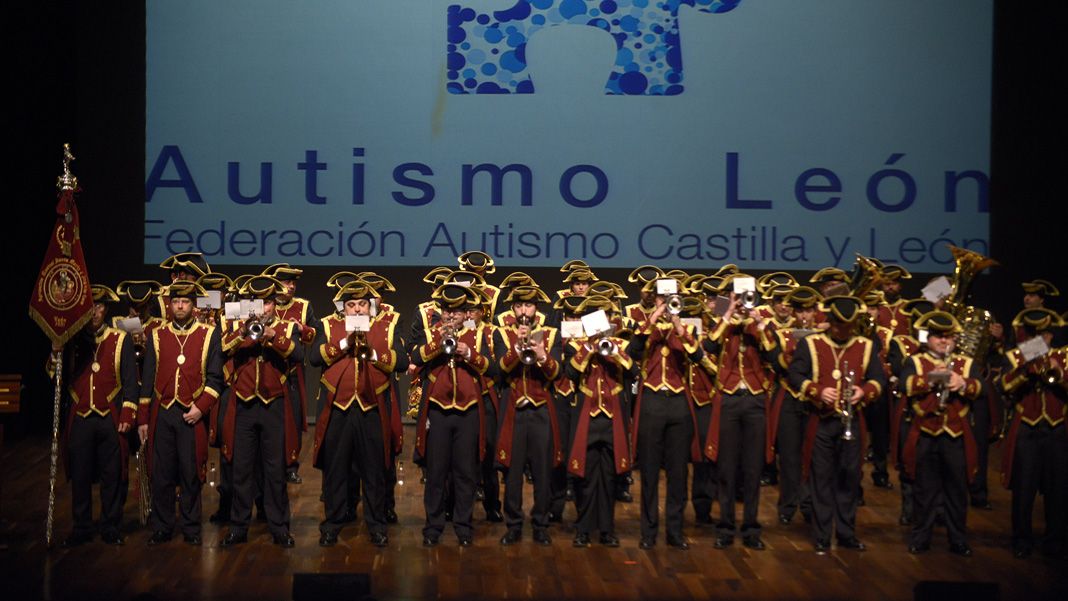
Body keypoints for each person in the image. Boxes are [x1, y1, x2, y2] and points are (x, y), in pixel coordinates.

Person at [788, 295, 886, 553]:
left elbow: (879, 379)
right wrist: (816, 391)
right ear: (830, 322)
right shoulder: (811, 343)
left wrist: (864, 392)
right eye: (840, 325)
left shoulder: (865, 346)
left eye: (849, 325)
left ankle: (846, 533)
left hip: (852, 419)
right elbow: (795, 374)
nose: (845, 330)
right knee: (820, 479)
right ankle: (821, 534)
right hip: (821, 420)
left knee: (850, 477)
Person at [311, 281, 406, 547]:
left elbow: (401, 361)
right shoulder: (329, 325)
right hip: (339, 409)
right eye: (351, 305)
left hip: (372, 408)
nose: (356, 309)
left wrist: (373, 353)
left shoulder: (386, 326)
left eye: (362, 304)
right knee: (336, 471)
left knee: (374, 471)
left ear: (371, 306)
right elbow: (315, 358)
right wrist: (344, 343)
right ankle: (332, 523)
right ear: (343, 308)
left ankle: (376, 525)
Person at [217, 276, 302, 548]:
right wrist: (245, 331)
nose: (262, 309)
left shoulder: (286, 327)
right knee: (241, 470)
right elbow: (223, 350)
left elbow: (298, 355)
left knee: (275, 469)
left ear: (274, 305)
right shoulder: (236, 326)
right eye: (257, 303)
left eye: (266, 303)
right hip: (244, 403)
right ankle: (238, 527)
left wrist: (272, 337)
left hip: (273, 404)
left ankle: (279, 527)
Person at [51, 285, 139, 547]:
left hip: (109, 416)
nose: (94, 312)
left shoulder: (119, 339)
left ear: (105, 309)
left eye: (99, 307)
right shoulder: (72, 340)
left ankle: (110, 525)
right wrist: (56, 350)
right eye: (89, 307)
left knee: (112, 475)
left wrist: (128, 412)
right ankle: (81, 527)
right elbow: (54, 377)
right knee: (80, 475)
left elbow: (130, 381)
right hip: (80, 416)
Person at [137, 281, 223, 546]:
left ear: (193, 305)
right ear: (170, 305)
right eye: (176, 302)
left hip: (192, 412)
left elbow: (216, 379)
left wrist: (201, 408)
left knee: (190, 472)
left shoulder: (208, 334)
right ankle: (162, 526)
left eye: (185, 302)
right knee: (161, 473)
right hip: (163, 413)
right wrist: (142, 419)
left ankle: (190, 526)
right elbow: (148, 378)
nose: (180, 306)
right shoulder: (157, 335)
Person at [411, 283, 494, 547]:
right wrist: (439, 342)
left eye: (456, 312)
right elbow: (415, 358)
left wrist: (468, 353)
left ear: (465, 313)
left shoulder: (479, 334)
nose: (451, 316)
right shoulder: (430, 332)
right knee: (435, 472)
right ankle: (433, 527)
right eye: (447, 311)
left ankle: (463, 525)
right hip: (438, 410)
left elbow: (492, 368)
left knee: (465, 472)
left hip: (468, 410)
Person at [898, 311, 984, 556]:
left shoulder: (965, 363)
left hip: (955, 434)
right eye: (938, 337)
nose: (944, 342)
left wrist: (963, 383)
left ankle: (958, 539)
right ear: (928, 339)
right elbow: (904, 385)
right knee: (924, 490)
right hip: (926, 431)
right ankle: (920, 537)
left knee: (957, 491)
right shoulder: (915, 361)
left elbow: (982, 389)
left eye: (948, 338)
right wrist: (932, 378)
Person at [629, 277, 703, 550]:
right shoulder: (644, 327)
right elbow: (632, 351)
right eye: (662, 299)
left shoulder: (687, 328)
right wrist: (655, 317)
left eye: (670, 299)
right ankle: (648, 532)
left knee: (678, 471)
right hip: (651, 401)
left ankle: (675, 531)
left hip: (678, 402)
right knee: (648, 470)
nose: (666, 303)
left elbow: (697, 357)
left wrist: (677, 325)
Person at [705, 274, 772, 551]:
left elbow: (774, 353)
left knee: (753, 468)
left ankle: (752, 528)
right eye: (737, 295)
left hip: (755, 398)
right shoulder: (722, 315)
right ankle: (726, 526)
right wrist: (729, 311)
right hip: (730, 397)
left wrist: (757, 321)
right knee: (727, 467)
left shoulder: (763, 317)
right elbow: (709, 345)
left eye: (746, 295)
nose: (743, 300)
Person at [565, 296, 635, 547]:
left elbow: (633, 371)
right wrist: (590, 347)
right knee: (583, 477)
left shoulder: (620, 344)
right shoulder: (576, 346)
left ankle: (607, 529)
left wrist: (614, 351)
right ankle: (582, 528)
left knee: (609, 477)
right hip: (587, 417)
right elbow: (571, 372)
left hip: (611, 418)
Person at [494, 286, 562, 546]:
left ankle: (540, 523)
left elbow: (557, 373)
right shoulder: (502, 333)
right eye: (520, 306)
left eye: (529, 306)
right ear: (513, 309)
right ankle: (513, 524)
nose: (524, 311)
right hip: (514, 409)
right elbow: (499, 370)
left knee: (543, 472)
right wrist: (516, 345)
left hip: (542, 409)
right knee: (512, 472)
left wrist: (542, 354)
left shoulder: (551, 334)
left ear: (536, 309)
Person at [999, 307, 1068, 558]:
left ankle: (1055, 541)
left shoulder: (1064, 356)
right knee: (1024, 489)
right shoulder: (1018, 356)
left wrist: (1058, 375)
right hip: (1027, 429)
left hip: (1057, 428)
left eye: (1045, 334)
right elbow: (1004, 385)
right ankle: (1021, 539)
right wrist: (1026, 368)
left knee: (1058, 489)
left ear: (1052, 335)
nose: (1042, 339)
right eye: (1035, 334)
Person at [763, 286, 822, 526]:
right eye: (801, 312)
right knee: (788, 456)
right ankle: (787, 505)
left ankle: (809, 504)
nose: (804, 316)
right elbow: (780, 364)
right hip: (789, 397)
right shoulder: (781, 334)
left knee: (814, 455)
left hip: (814, 399)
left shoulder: (822, 337)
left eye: (809, 311)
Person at [261, 263, 319, 485]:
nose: (291, 286)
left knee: (293, 420)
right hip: (267, 368)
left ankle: (291, 466)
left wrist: (304, 330)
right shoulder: (263, 306)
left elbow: (315, 334)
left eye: (293, 282)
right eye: (286, 282)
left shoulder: (304, 306)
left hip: (292, 371)